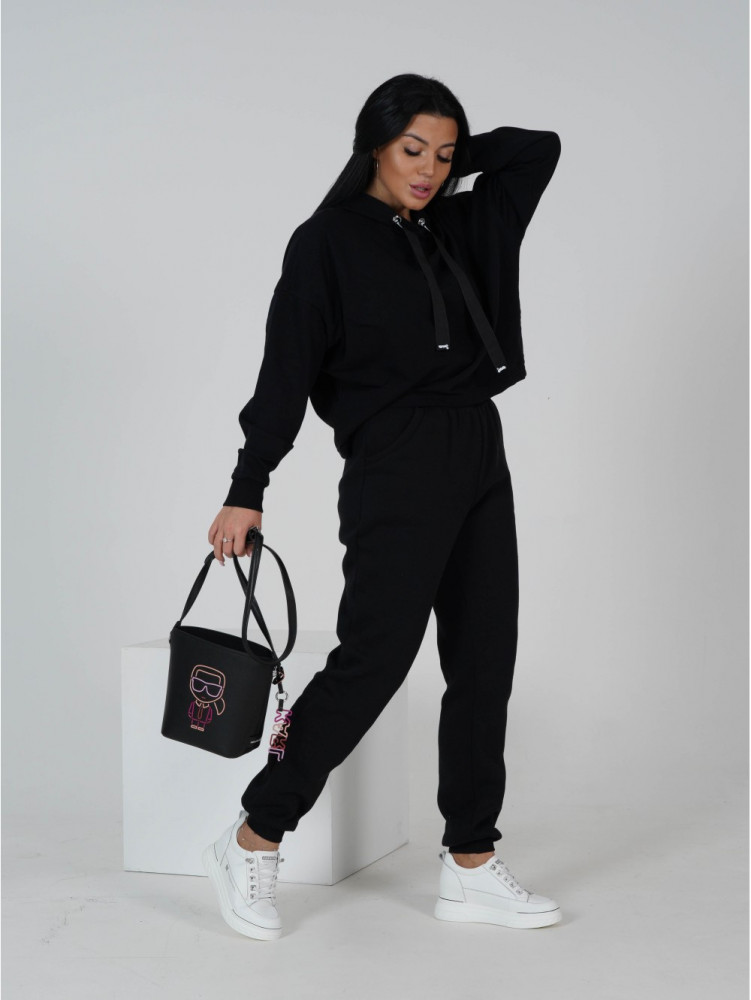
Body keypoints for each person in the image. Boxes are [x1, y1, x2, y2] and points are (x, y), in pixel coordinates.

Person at [202, 73, 562, 941]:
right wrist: (248, 486)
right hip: (395, 458)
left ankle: (469, 861)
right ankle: (253, 835)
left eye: (444, 155)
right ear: (371, 145)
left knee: (484, 659)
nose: (429, 170)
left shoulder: (459, 222)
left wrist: (454, 151)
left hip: (477, 445)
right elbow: (285, 369)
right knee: (374, 659)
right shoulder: (326, 241)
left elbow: (536, 151)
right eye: (411, 150)